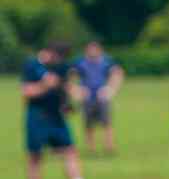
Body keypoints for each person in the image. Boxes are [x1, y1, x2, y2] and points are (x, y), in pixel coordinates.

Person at [22, 41, 83, 179]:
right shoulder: (32, 65)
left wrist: (68, 104)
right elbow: (27, 92)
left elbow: (65, 88)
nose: (60, 61)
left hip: (57, 116)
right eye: (58, 57)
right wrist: (46, 85)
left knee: (70, 151)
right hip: (37, 117)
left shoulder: (60, 66)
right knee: (35, 157)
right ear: (50, 52)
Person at [71, 40, 124, 153]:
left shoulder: (107, 61)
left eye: (95, 49)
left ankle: (109, 147)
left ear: (100, 50)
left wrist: (110, 89)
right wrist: (77, 90)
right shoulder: (80, 62)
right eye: (90, 49)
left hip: (102, 97)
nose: (93, 51)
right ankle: (91, 148)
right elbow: (71, 76)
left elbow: (118, 73)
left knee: (107, 122)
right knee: (88, 124)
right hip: (87, 97)